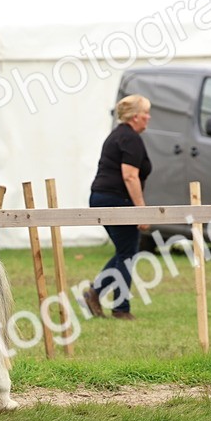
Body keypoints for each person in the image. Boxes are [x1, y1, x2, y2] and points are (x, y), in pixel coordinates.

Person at [83, 94, 154, 321]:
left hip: (101, 197)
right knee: (127, 252)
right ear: (135, 117)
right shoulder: (130, 138)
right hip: (116, 199)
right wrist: (141, 210)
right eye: (145, 113)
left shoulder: (117, 135)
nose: (148, 117)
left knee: (125, 250)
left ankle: (96, 293)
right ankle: (120, 307)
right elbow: (130, 176)